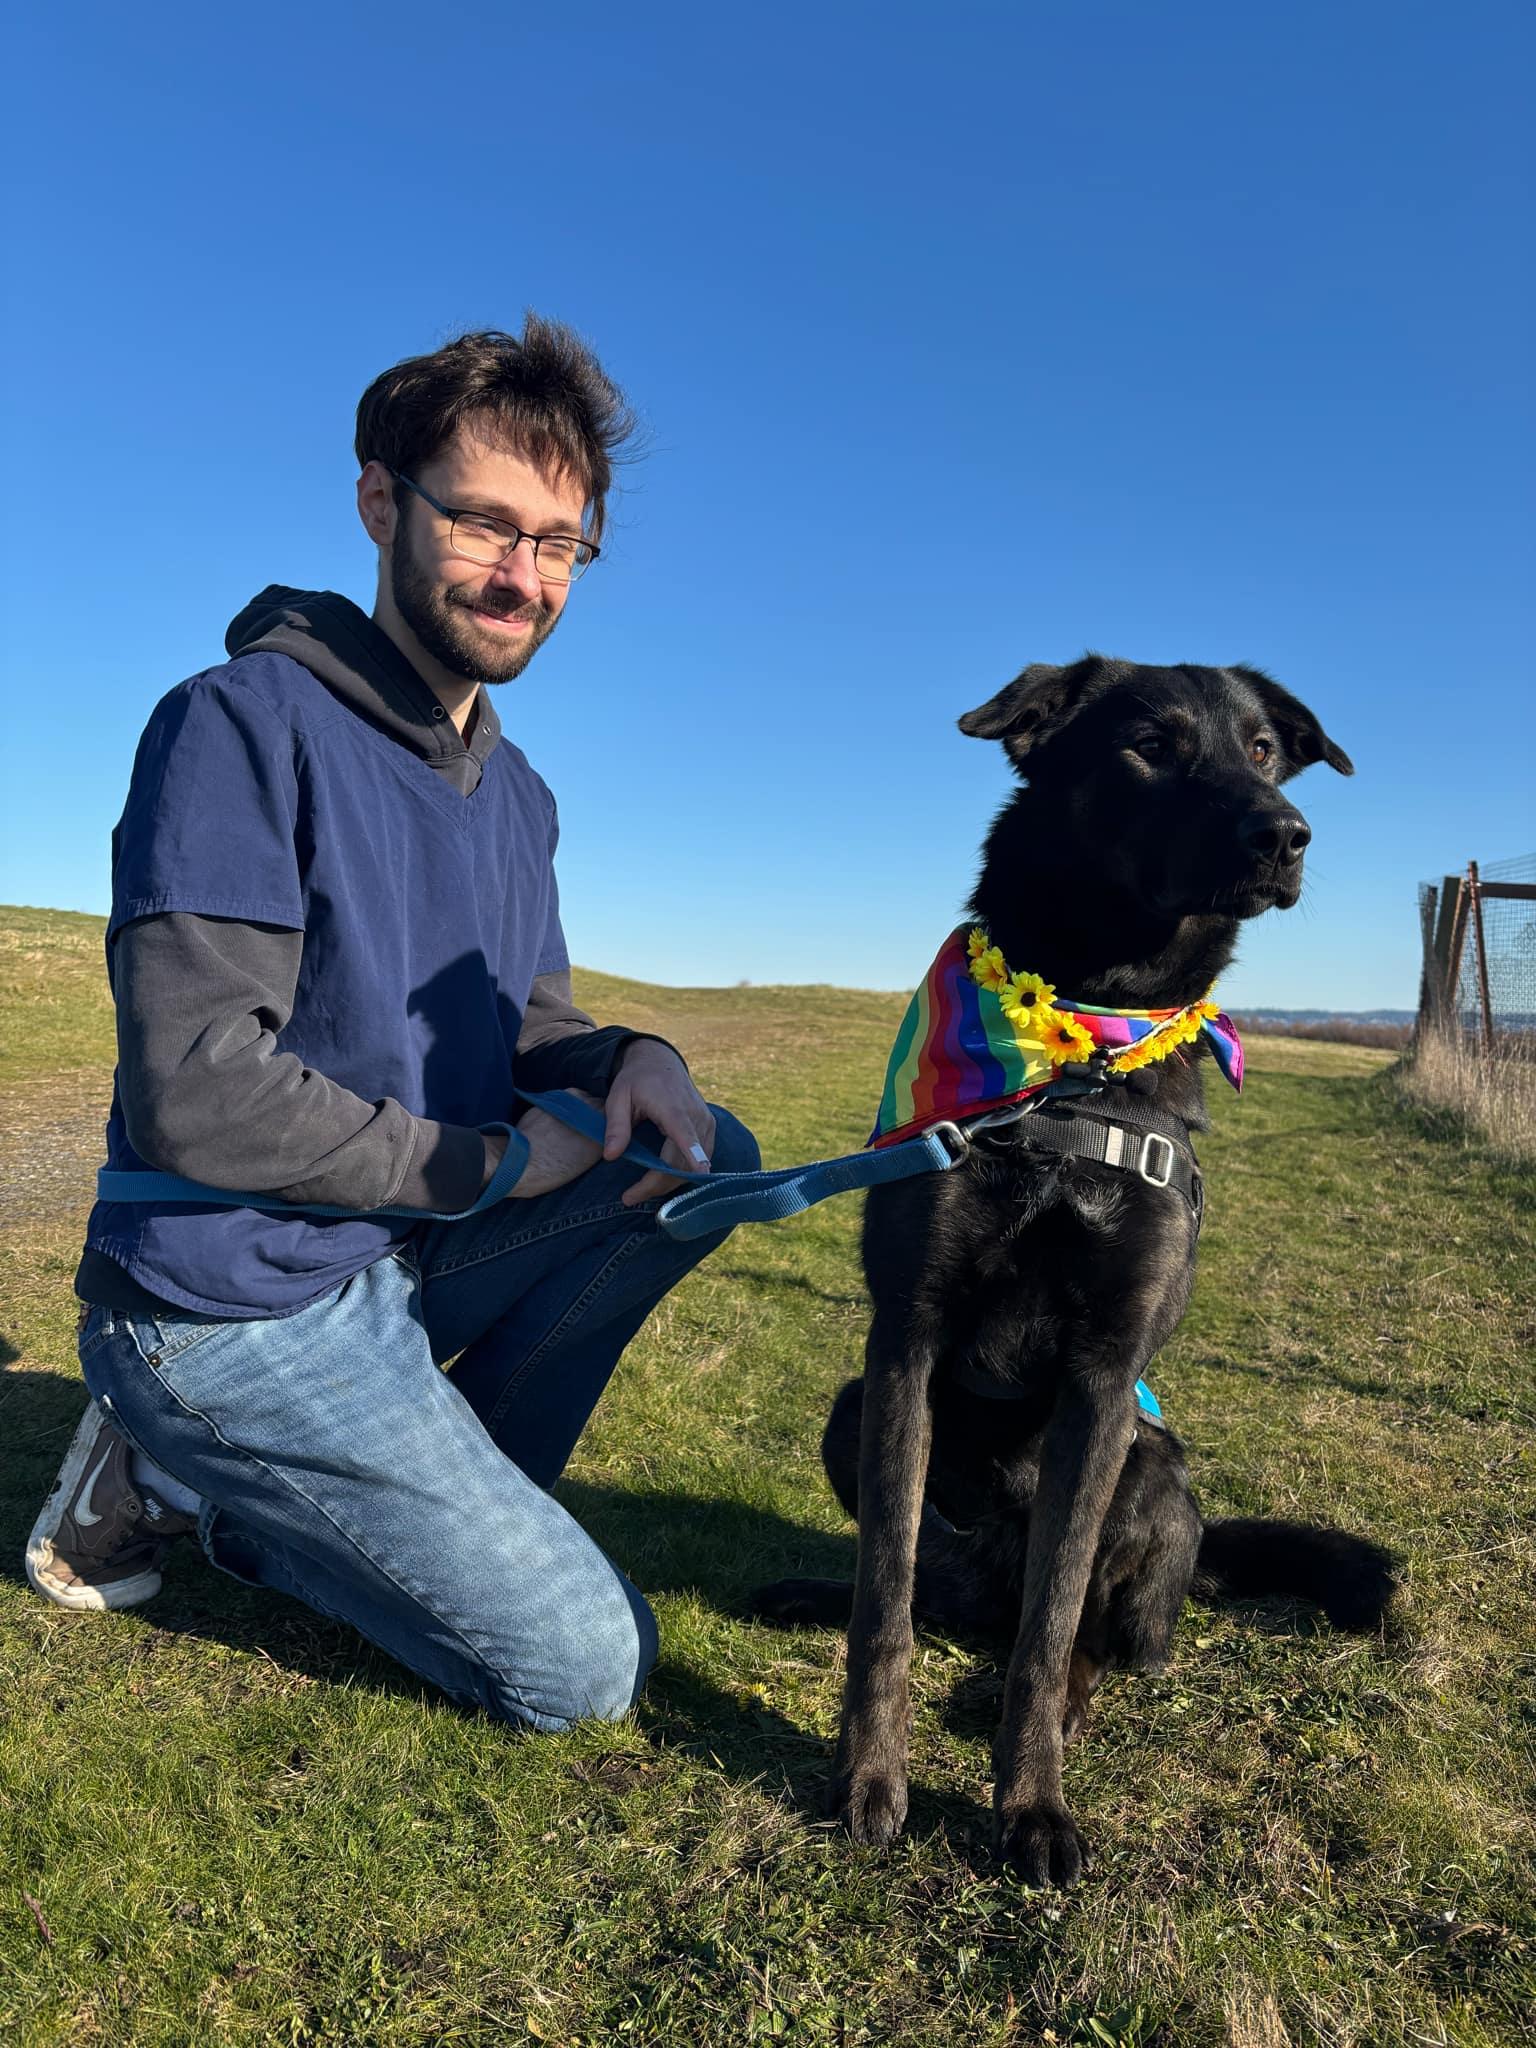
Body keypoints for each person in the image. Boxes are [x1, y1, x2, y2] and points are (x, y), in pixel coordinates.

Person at [25, 319, 759, 1730]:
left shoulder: (520, 795)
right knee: (583, 1672)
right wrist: (494, 1168)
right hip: (228, 1300)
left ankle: (414, 1496)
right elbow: (198, 1089)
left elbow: (533, 1025)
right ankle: (202, 1484)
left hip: (394, 1253)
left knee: (701, 1153)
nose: (523, 576)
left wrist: (635, 1058)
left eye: (560, 544)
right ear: (381, 502)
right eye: (485, 524)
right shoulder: (240, 724)